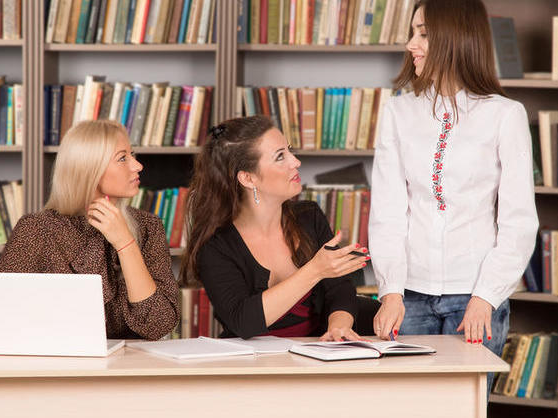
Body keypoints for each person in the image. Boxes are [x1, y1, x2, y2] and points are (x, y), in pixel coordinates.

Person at [369, 0, 538, 390]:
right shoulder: (398, 112)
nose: (411, 44)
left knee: (465, 407)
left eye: (424, 34)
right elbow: (388, 214)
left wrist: (487, 296)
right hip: (408, 297)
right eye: (412, 32)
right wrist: (391, 291)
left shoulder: (505, 114)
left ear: (456, 38)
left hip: (475, 298)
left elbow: (518, 222)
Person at [0, 120, 181, 355]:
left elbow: (159, 324)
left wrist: (125, 243)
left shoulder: (148, 227)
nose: (138, 165)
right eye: (123, 158)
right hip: (55, 367)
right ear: (88, 168)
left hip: (130, 367)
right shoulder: (37, 229)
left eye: (132, 155)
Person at [181, 115, 370, 340]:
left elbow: (339, 289)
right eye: (280, 156)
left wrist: (338, 328)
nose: (296, 162)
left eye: (289, 150)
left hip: (318, 352)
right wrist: (315, 270)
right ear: (248, 178)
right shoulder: (215, 246)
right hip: (254, 360)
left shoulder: (309, 216)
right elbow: (242, 321)